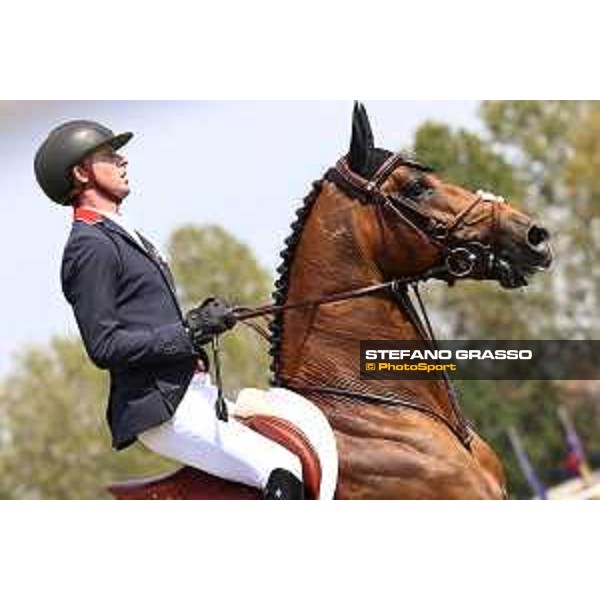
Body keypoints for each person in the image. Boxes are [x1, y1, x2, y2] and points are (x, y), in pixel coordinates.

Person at [34, 120, 304, 499]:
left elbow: (148, 323)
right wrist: (189, 331)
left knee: (296, 441)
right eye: (109, 155)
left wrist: (201, 321)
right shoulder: (89, 246)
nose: (123, 160)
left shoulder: (124, 235)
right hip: (165, 407)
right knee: (284, 468)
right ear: (81, 172)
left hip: (192, 391)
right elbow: (105, 347)